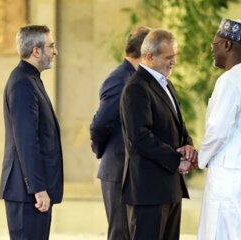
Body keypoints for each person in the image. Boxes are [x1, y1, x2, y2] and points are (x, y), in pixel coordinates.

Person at [120, 29, 197, 240]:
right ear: (150, 57)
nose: (173, 62)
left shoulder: (166, 84)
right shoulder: (136, 87)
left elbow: (179, 125)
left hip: (170, 189)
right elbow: (140, 138)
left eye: (175, 56)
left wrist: (188, 147)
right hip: (148, 193)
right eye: (169, 57)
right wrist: (176, 160)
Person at [197, 19, 241, 240]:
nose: (212, 49)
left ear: (227, 45)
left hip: (229, 181)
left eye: (215, 44)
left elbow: (217, 132)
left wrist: (199, 159)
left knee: (223, 233)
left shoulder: (229, 81)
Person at [0, 25, 63, 240]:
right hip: (27, 193)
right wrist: (38, 188)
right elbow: (26, 141)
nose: (55, 51)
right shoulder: (23, 83)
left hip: (31, 192)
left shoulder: (31, 79)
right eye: (51, 46)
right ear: (36, 51)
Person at [90, 27, 150, 240]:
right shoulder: (120, 79)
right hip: (118, 170)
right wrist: (103, 152)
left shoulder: (138, 77)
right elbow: (100, 124)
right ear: (145, 52)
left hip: (132, 171)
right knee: (120, 232)